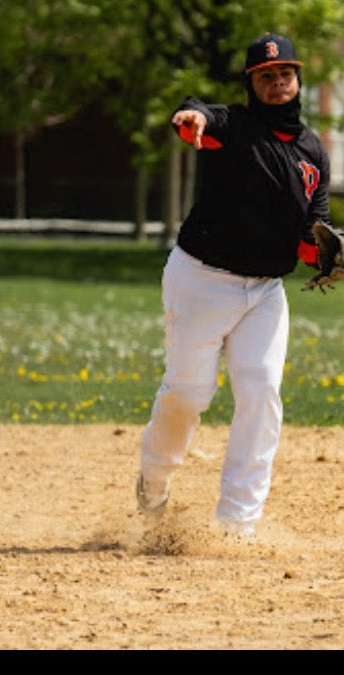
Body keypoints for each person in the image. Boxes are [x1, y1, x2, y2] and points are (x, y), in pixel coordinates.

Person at [136, 32, 331, 542]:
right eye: (265, 76)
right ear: (251, 83)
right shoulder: (233, 128)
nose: (276, 82)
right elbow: (199, 113)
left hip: (265, 292)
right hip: (201, 280)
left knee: (262, 390)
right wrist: (192, 119)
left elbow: (314, 226)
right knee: (188, 394)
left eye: (284, 73)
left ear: (297, 79)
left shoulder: (312, 152)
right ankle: (154, 479)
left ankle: (236, 524)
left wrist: (321, 250)